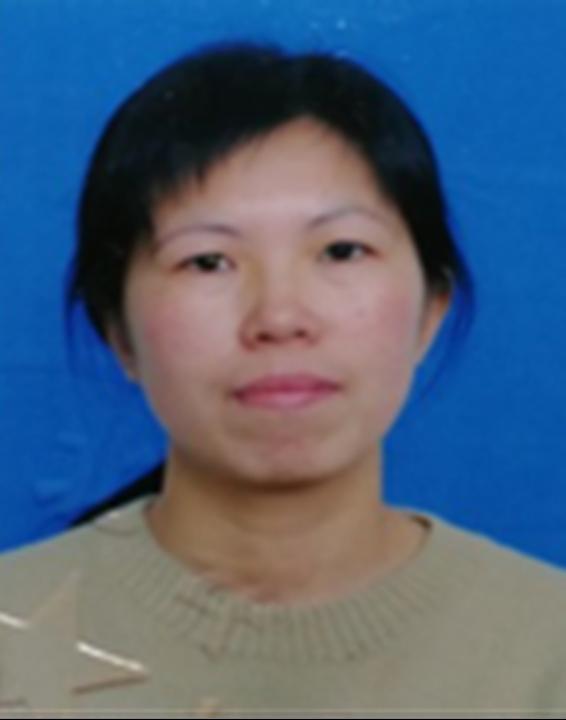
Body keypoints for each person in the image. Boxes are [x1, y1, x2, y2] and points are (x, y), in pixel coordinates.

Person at [0, 41, 565, 718]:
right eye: (208, 261)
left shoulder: (545, 646)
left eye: (342, 251)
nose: (279, 317)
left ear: (430, 312)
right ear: (117, 330)